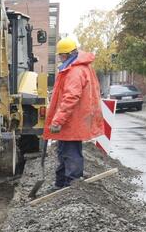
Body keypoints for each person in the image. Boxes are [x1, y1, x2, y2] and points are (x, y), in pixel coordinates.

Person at [44, 37, 104, 189]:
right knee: (63, 151)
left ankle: (72, 186)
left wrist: (57, 121)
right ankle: (61, 184)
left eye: (60, 56)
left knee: (70, 153)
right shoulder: (75, 68)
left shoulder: (75, 71)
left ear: (66, 55)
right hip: (71, 120)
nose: (59, 58)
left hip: (72, 121)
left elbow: (71, 97)